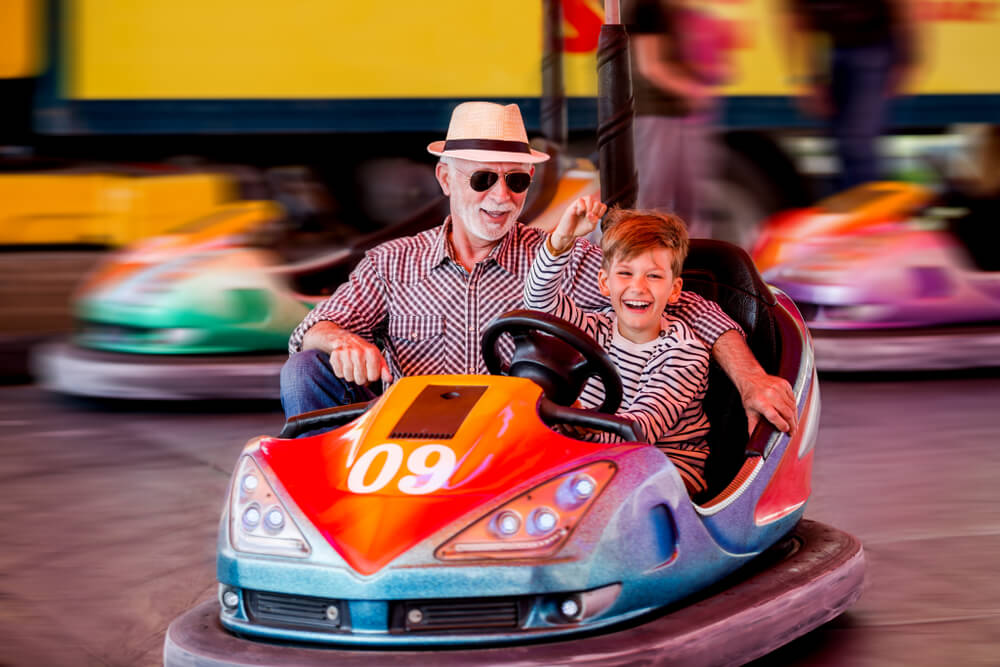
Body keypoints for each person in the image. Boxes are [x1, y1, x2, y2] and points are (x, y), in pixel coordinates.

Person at [280, 101, 796, 434]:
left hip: (519, 444)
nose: (501, 197)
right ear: (445, 178)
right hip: (412, 444)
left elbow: (693, 308)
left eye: (517, 182)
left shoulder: (560, 257)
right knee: (305, 370)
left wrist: (752, 377)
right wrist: (343, 340)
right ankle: (331, 516)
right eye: (482, 179)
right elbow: (309, 330)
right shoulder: (393, 263)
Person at [524, 203, 713, 495]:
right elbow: (539, 301)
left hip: (666, 467)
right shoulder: (593, 328)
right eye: (625, 273)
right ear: (604, 283)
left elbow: (639, 431)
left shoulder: (684, 353)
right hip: (591, 455)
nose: (638, 287)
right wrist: (560, 243)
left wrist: (569, 418)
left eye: (653, 276)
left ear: (674, 290)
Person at [783, 0, 917, 190]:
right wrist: (808, 80)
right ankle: (856, 200)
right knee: (842, 145)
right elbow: (797, 21)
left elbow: (902, 8)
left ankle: (866, 205)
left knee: (857, 144)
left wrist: (908, 60)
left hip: (874, 46)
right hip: (835, 49)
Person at [622, 0, 731, 231]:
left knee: (688, 197)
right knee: (656, 197)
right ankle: (654, 254)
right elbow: (651, 66)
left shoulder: (678, 13)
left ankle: (691, 253)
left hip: (680, 115)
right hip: (655, 114)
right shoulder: (649, 9)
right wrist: (693, 90)